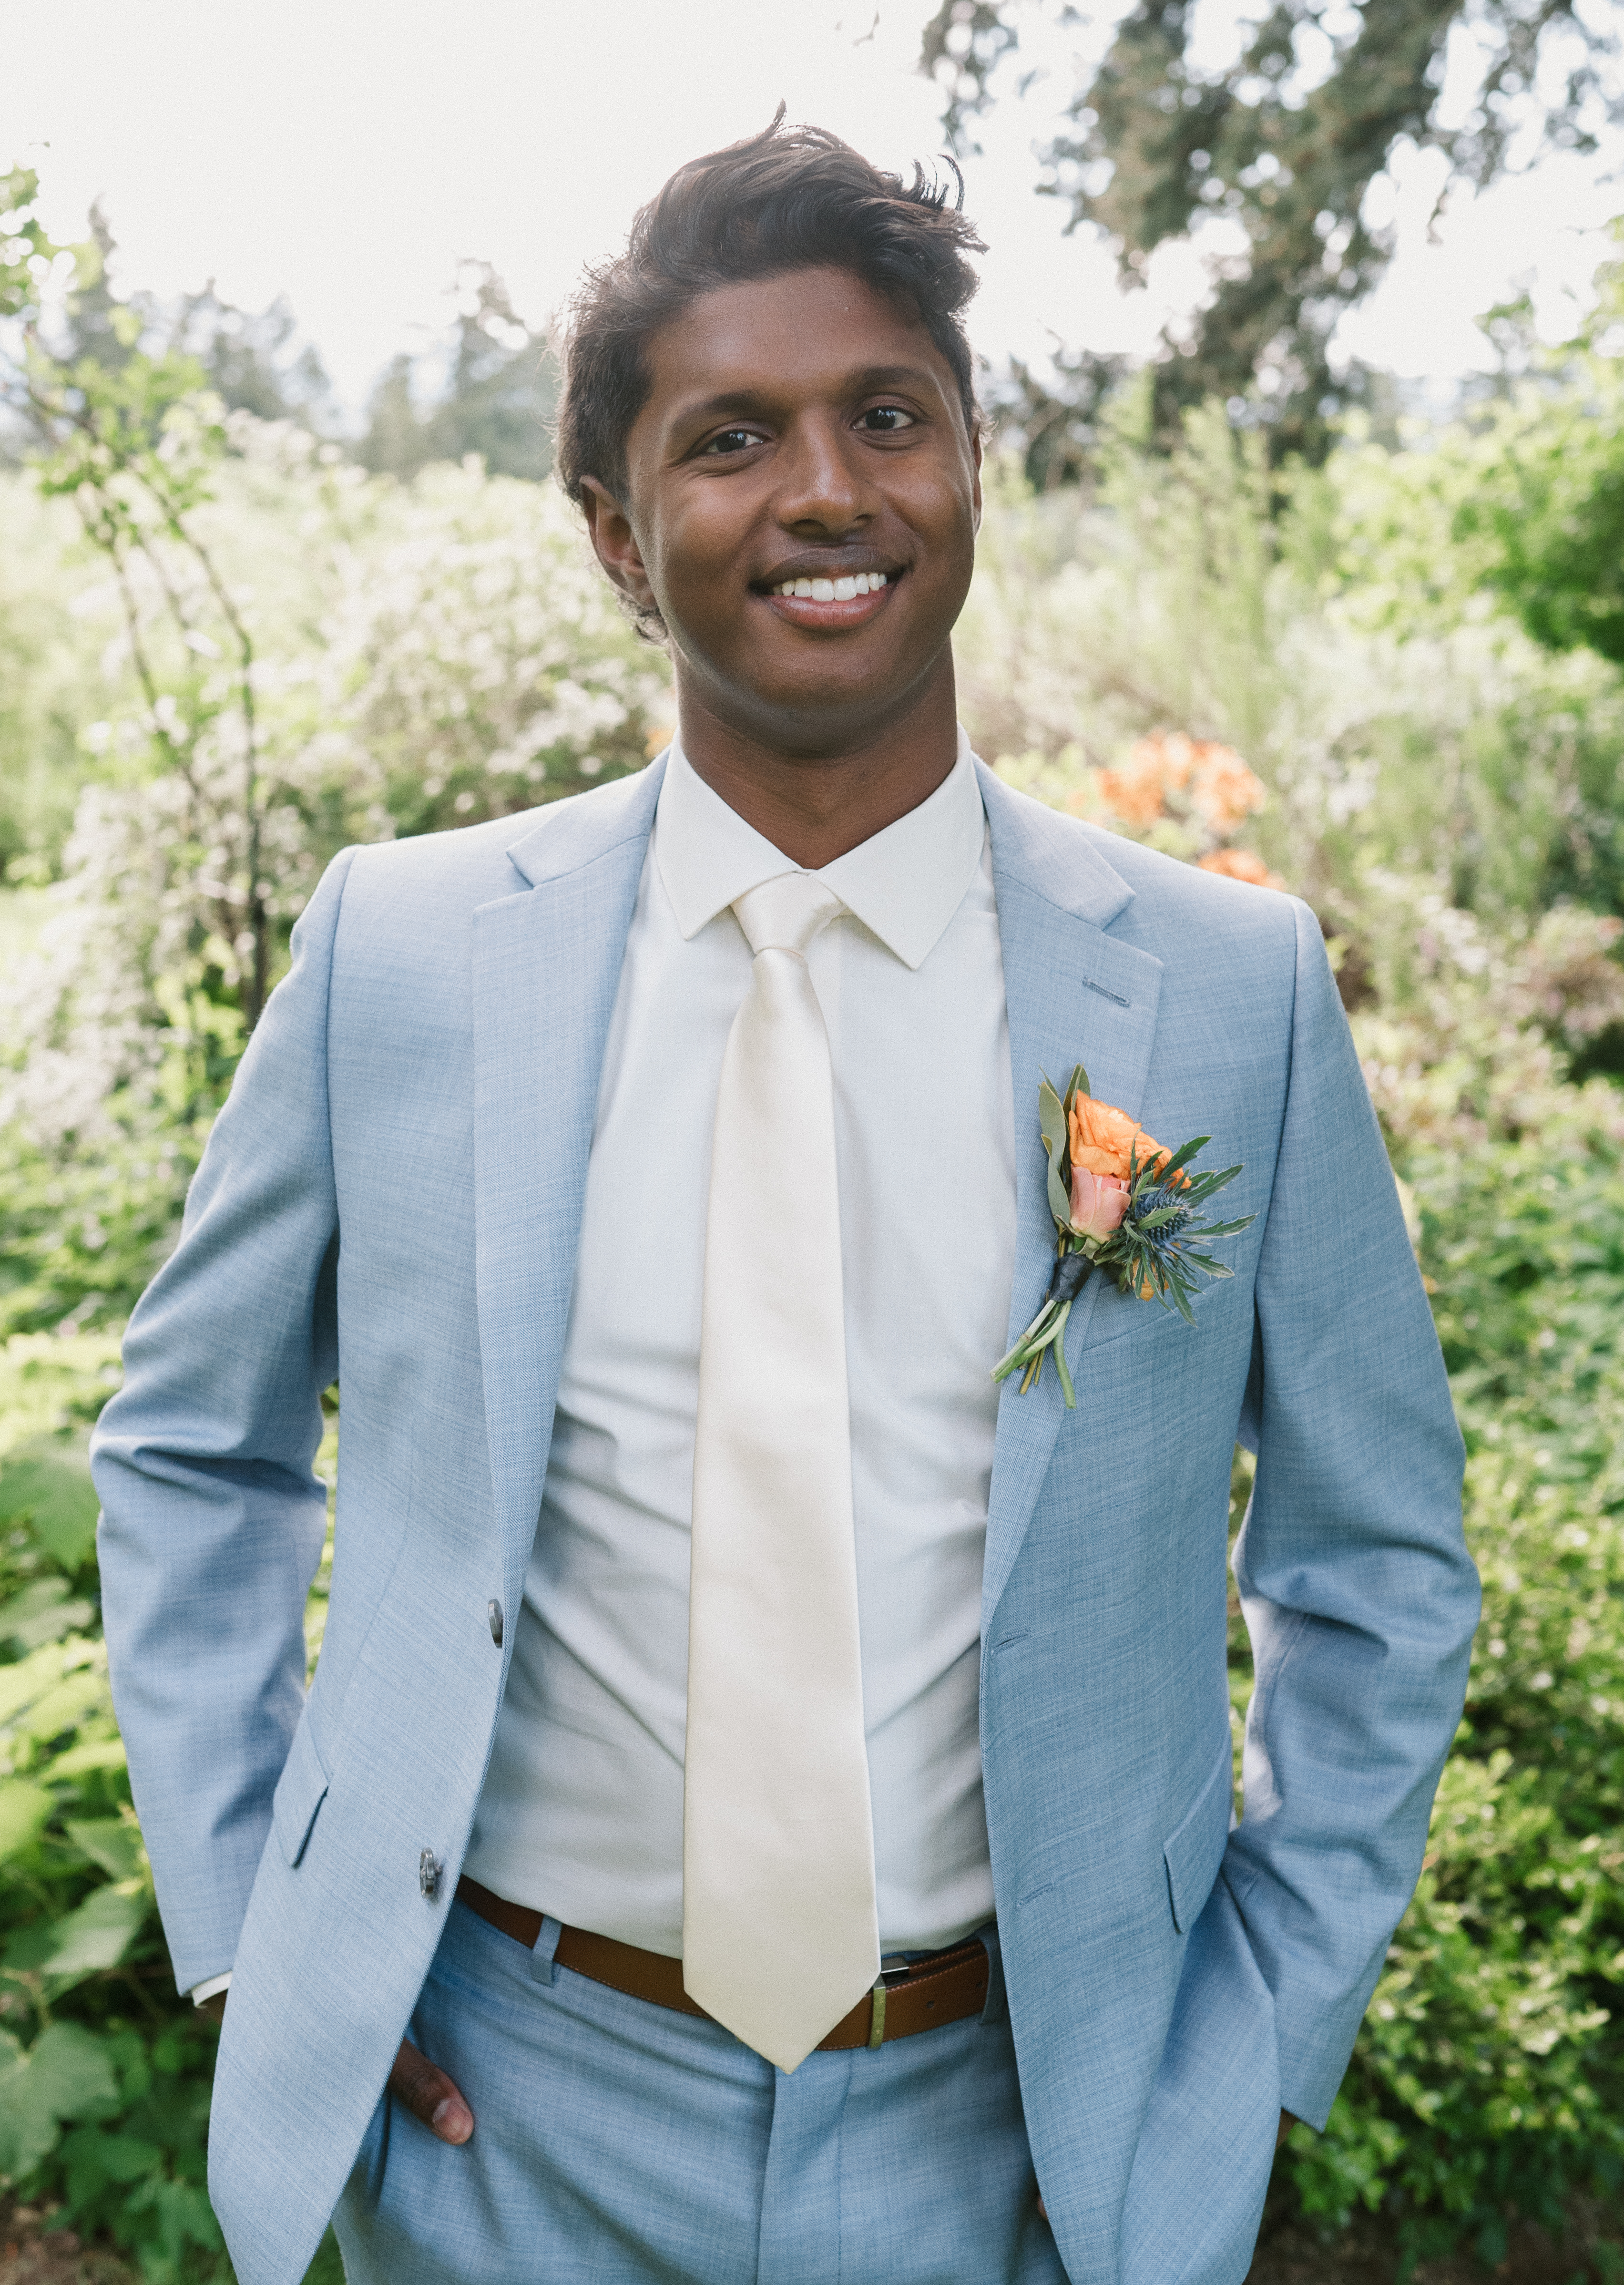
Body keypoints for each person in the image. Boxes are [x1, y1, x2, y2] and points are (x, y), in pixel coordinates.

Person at [91, 119, 1479, 2285]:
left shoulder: (1225, 993)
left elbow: (1375, 1564)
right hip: (507, 2118)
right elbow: (190, 1442)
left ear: (969, 467)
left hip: (1035, 2135)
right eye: (730, 436)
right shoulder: (407, 955)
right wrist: (268, 1939)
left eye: (885, 416)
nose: (826, 489)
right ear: (616, 540)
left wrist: (1254, 2029)